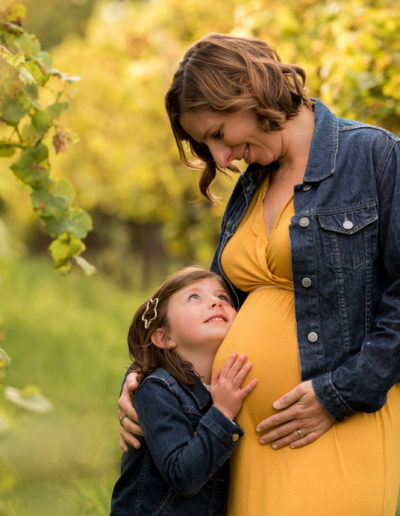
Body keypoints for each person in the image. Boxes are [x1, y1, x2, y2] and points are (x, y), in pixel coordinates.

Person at [118, 33, 400, 515]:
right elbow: (204, 304)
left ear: (247, 89)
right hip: (241, 441)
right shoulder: (250, 188)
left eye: (218, 134)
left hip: (333, 423)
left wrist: (337, 394)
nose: (222, 159)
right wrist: (146, 381)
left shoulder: (373, 156)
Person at [110, 266, 257, 515]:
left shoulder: (218, 390)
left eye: (223, 298)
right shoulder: (158, 390)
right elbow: (182, 475)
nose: (215, 303)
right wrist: (221, 413)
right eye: (194, 297)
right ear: (163, 337)